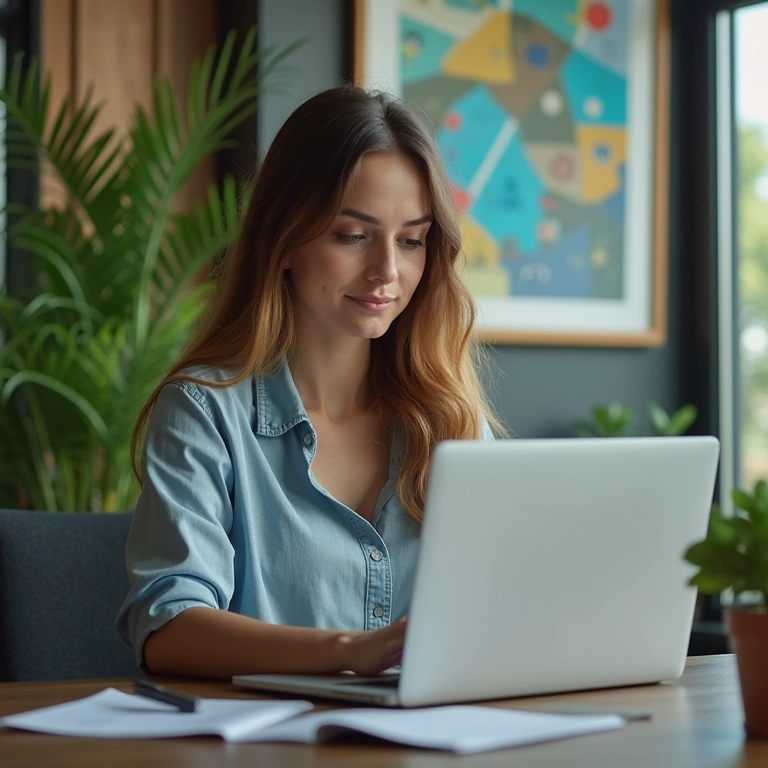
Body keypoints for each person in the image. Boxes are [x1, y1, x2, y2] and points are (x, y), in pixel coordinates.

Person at [116, 84, 502, 679]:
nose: (387, 271)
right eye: (352, 235)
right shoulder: (204, 411)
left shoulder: (451, 421)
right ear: (284, 237)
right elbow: (168, 626)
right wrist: (348, 652)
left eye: (411, 241)